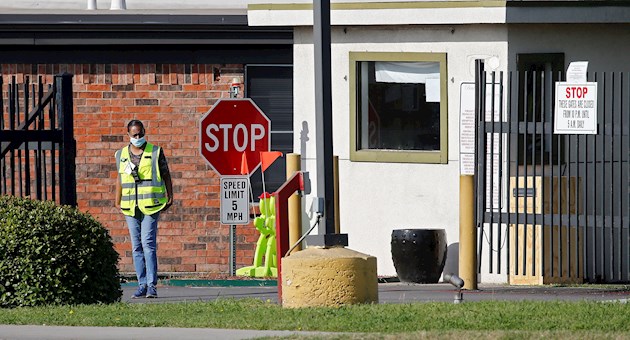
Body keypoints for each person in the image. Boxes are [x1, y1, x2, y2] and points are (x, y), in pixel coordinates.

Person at [115, 120, 173, 298]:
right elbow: (120, 178)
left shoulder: (155, 152)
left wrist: (170, 195)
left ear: (144, 132)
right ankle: (141, 285)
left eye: (140, 134)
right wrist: (117, 201)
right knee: (136, 246)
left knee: (148, 244)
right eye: (134, 135)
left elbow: (165, 174)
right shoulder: (121, 154)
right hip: (130, 206)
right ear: (128, 135)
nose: (138, 138)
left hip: (150, 204)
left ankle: (151, 286)